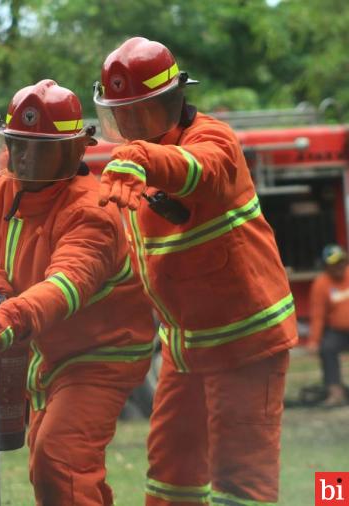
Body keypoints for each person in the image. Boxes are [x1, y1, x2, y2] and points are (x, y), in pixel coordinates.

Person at [94, 37, 297, 505]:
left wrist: (140, 159)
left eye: (140, 114)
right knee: (170, 476)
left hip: (246, 344)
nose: (130, 127)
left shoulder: (212, 140)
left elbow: (198, 171)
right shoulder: (133, 170)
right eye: (121, 116)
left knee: (241, 483)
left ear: (174, 100)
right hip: (186, 351)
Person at [0, 79, 155, 506]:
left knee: (59, 459)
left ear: (74, 151)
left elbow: (67, 285)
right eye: (17, 144)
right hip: (43, 350)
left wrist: (13, 315)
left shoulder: (92, 210)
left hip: (101, 356)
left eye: (38, 148)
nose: (23, 157)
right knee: (52, 464)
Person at [307, 244, 349, 407]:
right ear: (326, 266)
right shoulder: (321, 284)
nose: (339, 266)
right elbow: (318, 315)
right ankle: (335, 392)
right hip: (337, 332)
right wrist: (314, 341)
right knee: (327, 348)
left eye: (341, 262)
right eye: (334, 263)